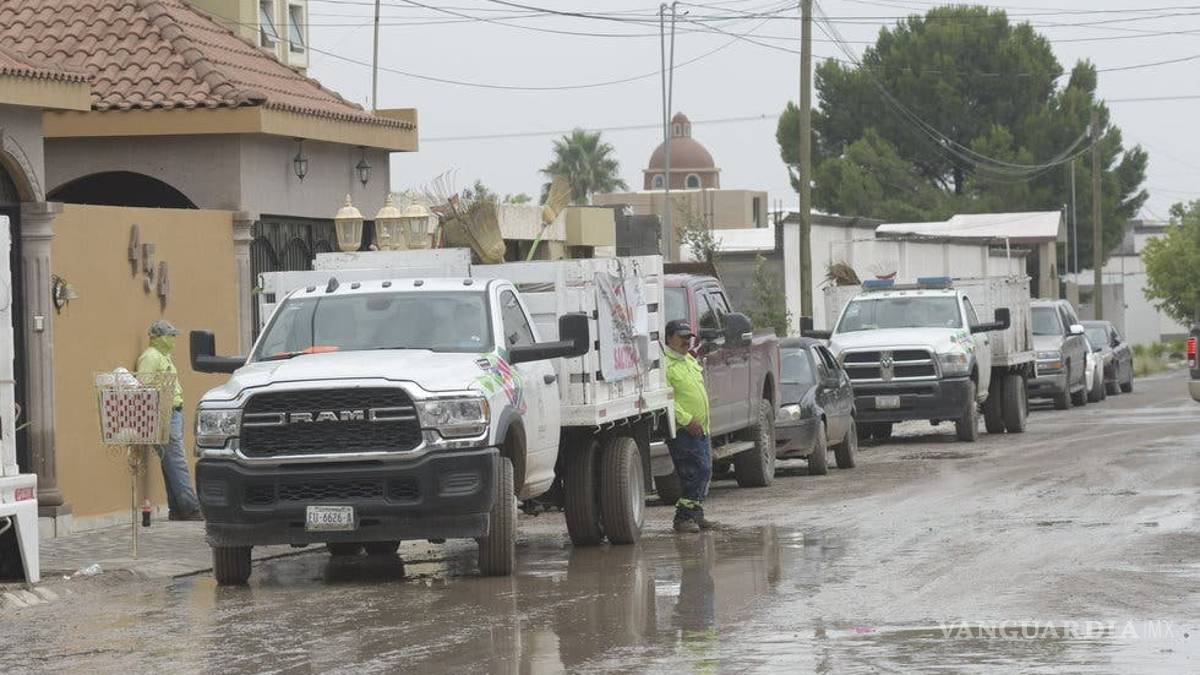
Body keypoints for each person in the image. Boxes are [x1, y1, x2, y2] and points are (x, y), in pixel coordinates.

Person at [136, 319, 202, 521]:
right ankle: (190, 508)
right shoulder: (151, 357)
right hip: (164, 413)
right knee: (177, 460)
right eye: (171, 335)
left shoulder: (164, 356)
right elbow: (144, 385)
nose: (174, 339)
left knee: (170, 462)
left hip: (173, 412)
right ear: (160, 337)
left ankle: (177, 509)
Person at [663, 319, 718, 533]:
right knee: (695, 472)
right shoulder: (665, 365)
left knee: (705, 472)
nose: (687, 341)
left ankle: (695, 513)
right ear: (669, 338)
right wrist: (686, 420)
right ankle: (683, 517)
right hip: (684, 430)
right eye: (682, 337)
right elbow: (667, 400)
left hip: (701, 428)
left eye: (689, 337)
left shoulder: (688, 360)